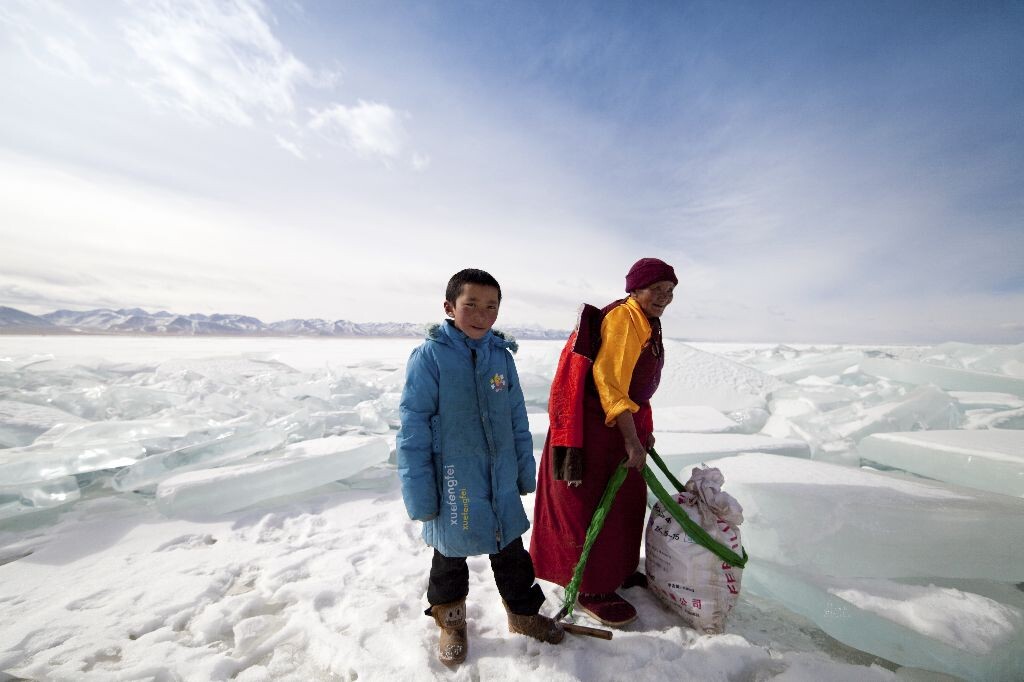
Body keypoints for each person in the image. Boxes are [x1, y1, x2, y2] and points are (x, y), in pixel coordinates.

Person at [397, 268, 564, 667]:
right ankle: (450, 620)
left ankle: (523, 613)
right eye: (471, 304)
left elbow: (516, 417)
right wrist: (420, 494)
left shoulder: (500, 356)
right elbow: (413, 427)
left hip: (500, 474)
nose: (481, 314)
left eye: (491, 306)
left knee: (510, 549)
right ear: (449, 307)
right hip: (454, 479)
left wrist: (524, 470)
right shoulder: (430, 356)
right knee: (449, 555)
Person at [530, 257, 677, 627]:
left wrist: (645, 428)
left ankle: (618, 571)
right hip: (599, 428)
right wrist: (631, 438)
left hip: (625, 422)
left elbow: (638, 388)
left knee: (624, 504)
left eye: (669, 292)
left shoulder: (648, 322)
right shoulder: (624, 319)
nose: (663, 297)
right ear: (635, 289)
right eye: (656, 290)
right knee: (593, 503)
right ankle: (592, 588)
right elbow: (610, 383)